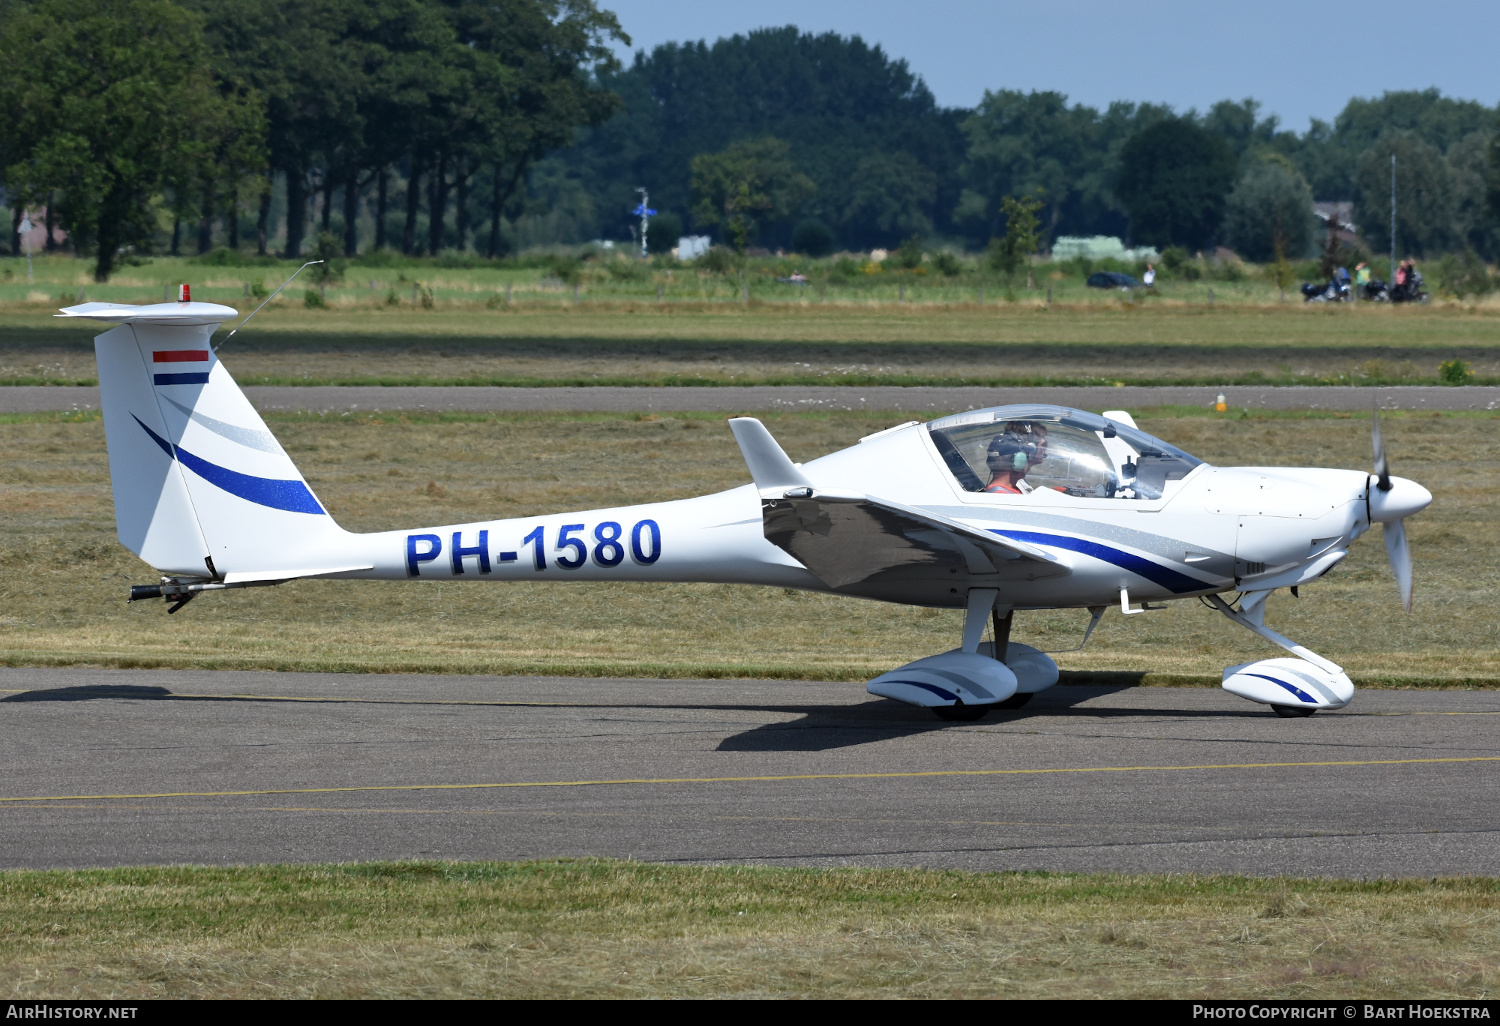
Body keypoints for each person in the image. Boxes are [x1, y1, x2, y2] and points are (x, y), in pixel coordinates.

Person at [984, 422, 1048, 494]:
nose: (1045, 449)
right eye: (1043, 445)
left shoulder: (1018, 484)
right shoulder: (1001, 496)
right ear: (1029, 449)